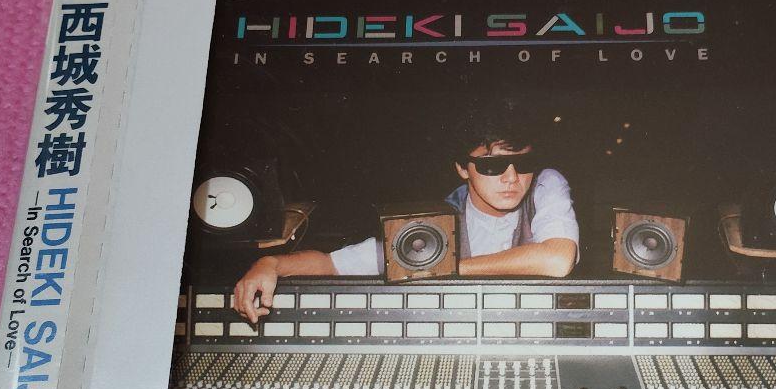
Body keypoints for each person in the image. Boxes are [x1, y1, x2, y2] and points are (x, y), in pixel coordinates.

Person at [231, 118, 579, 324]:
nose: (512, 178)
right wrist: (270, 263)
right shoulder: (434, 219)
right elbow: (331, 264)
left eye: (523, 164)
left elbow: (558, 259)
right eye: (492, 165)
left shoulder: (546, 183)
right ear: (462, 168)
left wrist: (441, 269)